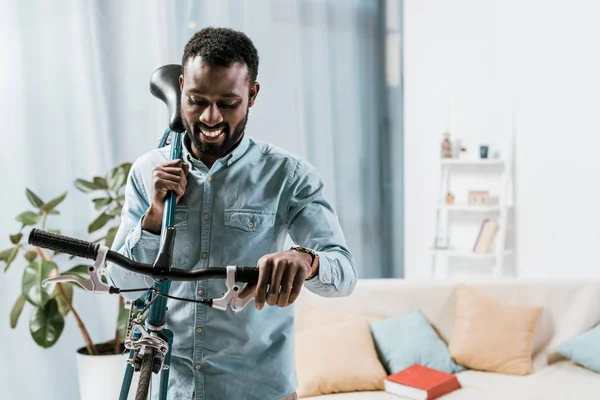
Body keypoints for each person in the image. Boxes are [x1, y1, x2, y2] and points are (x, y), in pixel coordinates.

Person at [108, 27, 357, 400]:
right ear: (180, 87)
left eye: (227, 103)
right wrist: (155, 215)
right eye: (196, 100)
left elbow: (345, 273)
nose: (210, 118)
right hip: (172, 390)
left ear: (252, 95)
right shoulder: (148, 171)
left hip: (258, 390)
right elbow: (124, 284)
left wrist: (305, 260)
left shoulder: (288, 175)